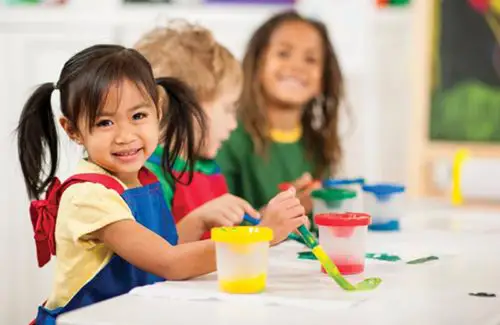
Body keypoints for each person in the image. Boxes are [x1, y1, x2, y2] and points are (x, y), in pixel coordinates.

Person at [17, 44, 304, 324]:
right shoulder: (89, 196)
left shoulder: (143, 179)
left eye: (138, 116)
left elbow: (154, 248)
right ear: (73, 130)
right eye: (105, 122)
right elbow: (168, 261)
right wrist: (262, 236)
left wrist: (198, 219)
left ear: (157, 111)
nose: (125, 135)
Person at [135, 22, 308, 240]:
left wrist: (268, 223)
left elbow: (221, 242)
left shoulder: (206, 168)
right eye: (228, 109)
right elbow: (153, 255)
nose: (233, 124)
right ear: (188, 107)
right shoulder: (149, 176)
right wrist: (198, 222)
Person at [216, 11, 345, 228]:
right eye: (284, 53)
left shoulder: (319, 145)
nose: (296, 67)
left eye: (311, 59)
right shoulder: (228, 138)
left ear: (323, 79)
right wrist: (276, 216)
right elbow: (215, 231)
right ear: (257, 65)